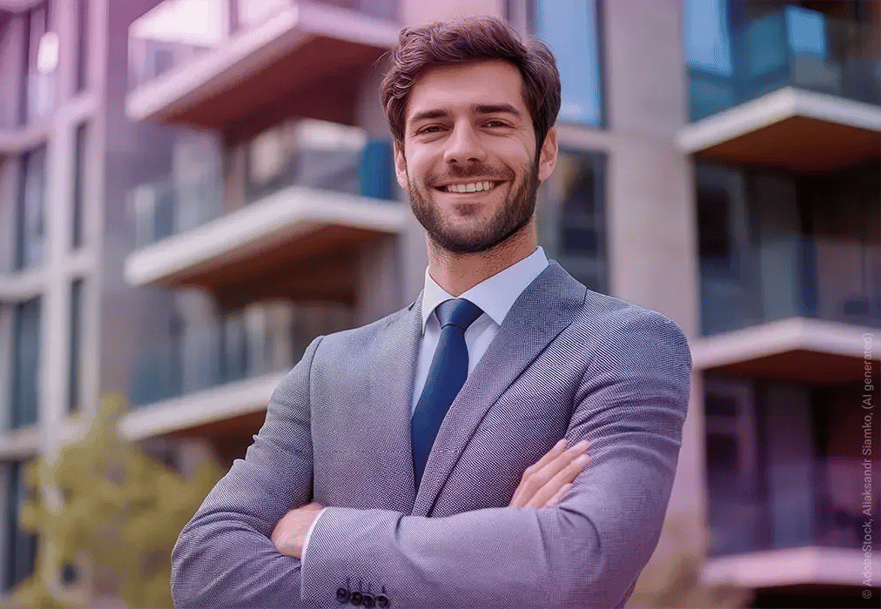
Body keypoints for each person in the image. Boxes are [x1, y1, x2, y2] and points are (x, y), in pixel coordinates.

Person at [171, 16, 691, 609]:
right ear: (401, 160)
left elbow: (582, 558)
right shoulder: (326, 370)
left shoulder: (628, 345)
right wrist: (506, 563)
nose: (462, 151)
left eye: (494, 123)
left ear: (546, 150)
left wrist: (320, 535)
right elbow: (204, 566)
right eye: (432, 128)